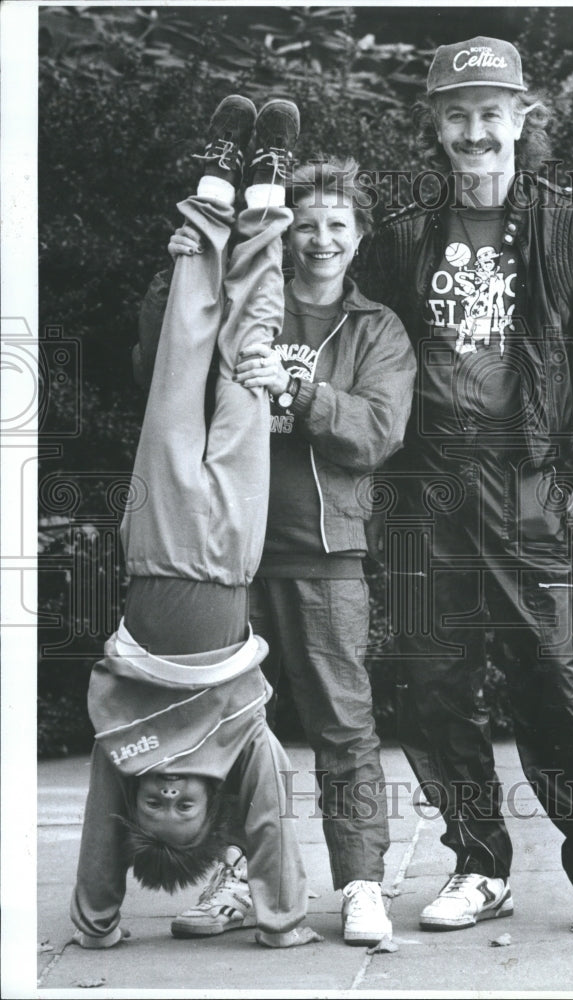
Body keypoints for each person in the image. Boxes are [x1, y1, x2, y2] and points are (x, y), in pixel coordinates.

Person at [358, 36, 573, 937]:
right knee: (429, 682)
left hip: (525, 479)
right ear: (436, 126)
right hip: (420, 486)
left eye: (491, 112)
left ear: (523, 117)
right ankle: (478, 866)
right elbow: (360, 347)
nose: (474, 130)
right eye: (456, 114)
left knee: (550, 678)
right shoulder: (400, 234)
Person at [135, 158, 416, 945]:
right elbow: (156, 375)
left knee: (342, 724)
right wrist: (179, 278)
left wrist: (295, 392)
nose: (322, 239)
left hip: (325, 554)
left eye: (338, 225)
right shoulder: (248, 301)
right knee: (224, 722)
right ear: (283, 235)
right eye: (307, 225)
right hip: (225, 550)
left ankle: (360, 885)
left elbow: (376, 433)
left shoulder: (377, 330)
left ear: (358, 238)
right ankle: (234, 876)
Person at [70, 95, 321, 951]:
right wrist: (281, 922)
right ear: (211, 805)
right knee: (252, 363)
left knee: (182, 358)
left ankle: (215, 190)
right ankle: (265, 204)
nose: (169, 795)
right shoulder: (239, 747)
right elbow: (269, 825)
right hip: (233, 550)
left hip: (160, 536)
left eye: (157, 806)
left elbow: (101, 838)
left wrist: (98, 921)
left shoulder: (123, 744)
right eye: (185, 807)